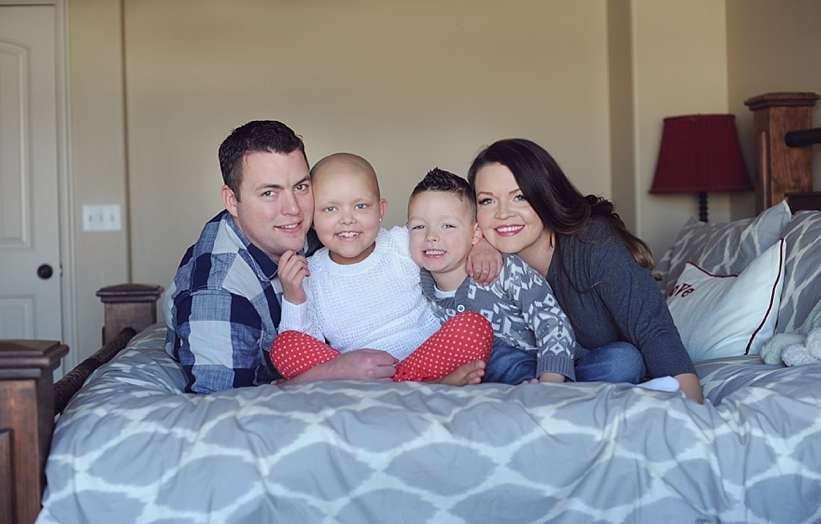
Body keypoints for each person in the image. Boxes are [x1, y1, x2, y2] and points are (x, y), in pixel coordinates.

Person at [165, 121, 397, 393]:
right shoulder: (216, 294)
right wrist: (335, 372)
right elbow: (219, 409)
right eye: (269, 193)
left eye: (300, 187)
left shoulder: (315, 229)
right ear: (231, 200)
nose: (293, 209)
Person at [467, 138, 704, 403]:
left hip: (596, 366)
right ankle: (545, 392)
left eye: (520, 197)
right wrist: (478, 244)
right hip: (529, 368)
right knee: (490, 356)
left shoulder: (592, 242)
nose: (503, 214)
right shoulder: (476, 254)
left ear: (545, 195)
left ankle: (548, 395)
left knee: (624, 360)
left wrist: (693, 407)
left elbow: (652, 327)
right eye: (487, 201)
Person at [272, 153, 498, 385]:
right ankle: (420, 386)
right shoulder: (312, 273)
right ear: (311, 216)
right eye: (330, 209)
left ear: (381, 210)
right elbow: (303, 339)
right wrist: (294, 296)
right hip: (359, 372)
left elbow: (452, 237)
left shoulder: (401, 242)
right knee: (284, 346)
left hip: (428, 358)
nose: (347, 219)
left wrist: (483, 245)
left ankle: (406, 383)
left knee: (474, 326)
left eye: (360, 206)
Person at [408, 168, 576, 385]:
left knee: (621, 359)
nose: (431, 237)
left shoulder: (504, 269)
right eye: (418, 226)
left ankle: (547, 387)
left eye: (447, 226)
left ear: (476, 233)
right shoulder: (414, 284)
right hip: (487, 369)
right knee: (494, 360)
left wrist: (550, 382)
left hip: (551, 361)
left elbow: (553, 323)